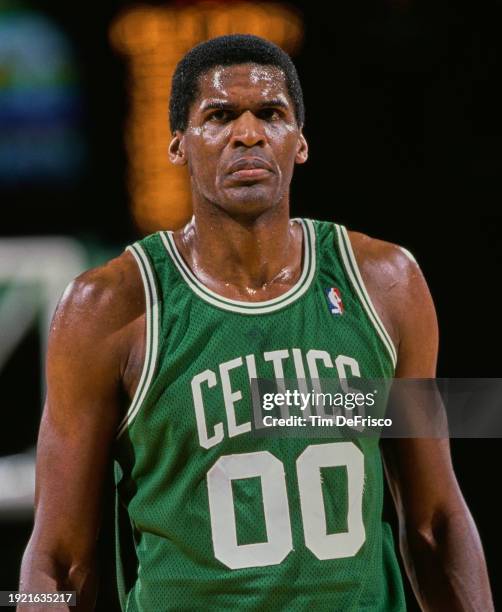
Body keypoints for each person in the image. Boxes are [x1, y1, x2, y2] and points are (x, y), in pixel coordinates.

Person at [19, 34, 493, 611]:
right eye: (219, 116)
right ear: (178, 146)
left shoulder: (386, 284)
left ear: (300, 143)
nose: (248, 134)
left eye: (270, 114)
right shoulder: (108, 307)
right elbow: (57, 557)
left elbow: (436, 520)